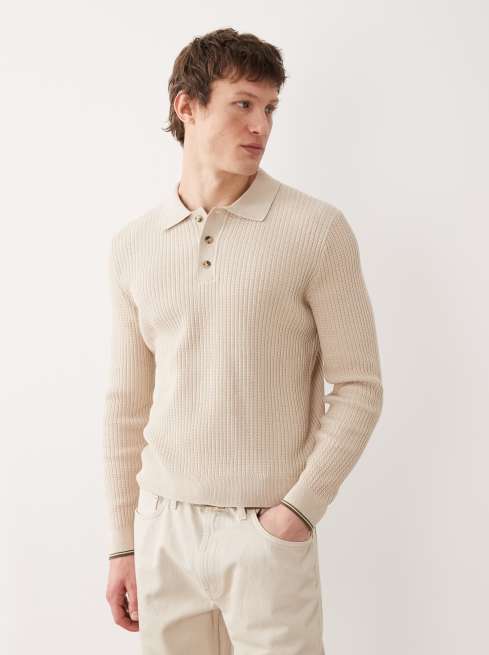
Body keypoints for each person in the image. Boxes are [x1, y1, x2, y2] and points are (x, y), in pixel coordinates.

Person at [103, 27, 383, 654]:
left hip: (266, 533)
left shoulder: (316, 230)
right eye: (243, 104)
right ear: (187, 106)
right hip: (163, 531)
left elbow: (359, 387)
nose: (261, 125)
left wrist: (297, 512)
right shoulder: (134, 245)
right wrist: (123, 543)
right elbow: (126, 405)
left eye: (270, 108)